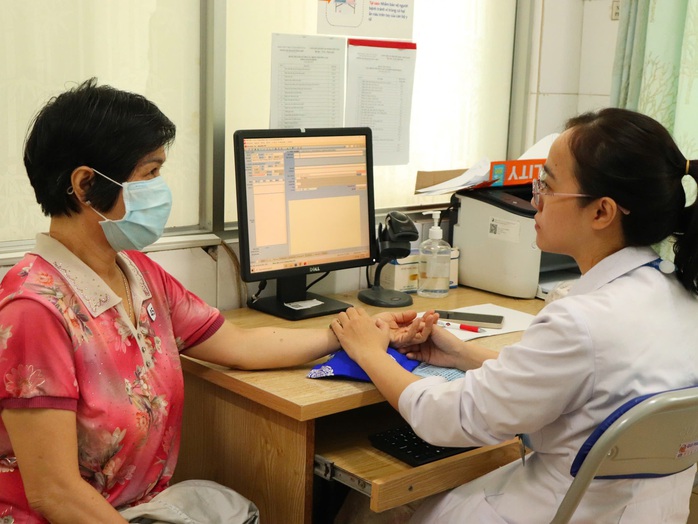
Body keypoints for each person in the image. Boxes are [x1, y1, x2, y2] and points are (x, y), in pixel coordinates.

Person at [0, 78, 436, 524]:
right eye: (150, 173)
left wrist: (351, 335)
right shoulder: (35, 309)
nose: (160, 188)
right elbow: (55, 493)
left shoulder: (136, 273)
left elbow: (239, 345)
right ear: (85, 185)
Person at [331, 107, 698, 523]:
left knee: (368, 503)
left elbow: (449, 418)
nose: (533, 198)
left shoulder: (580, 322)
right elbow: (579, 383)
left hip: (555, 512)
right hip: (645, 514)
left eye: (547, 186)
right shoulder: (679, 297)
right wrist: (460, 354)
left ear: (601, 212)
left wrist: (369, 353)